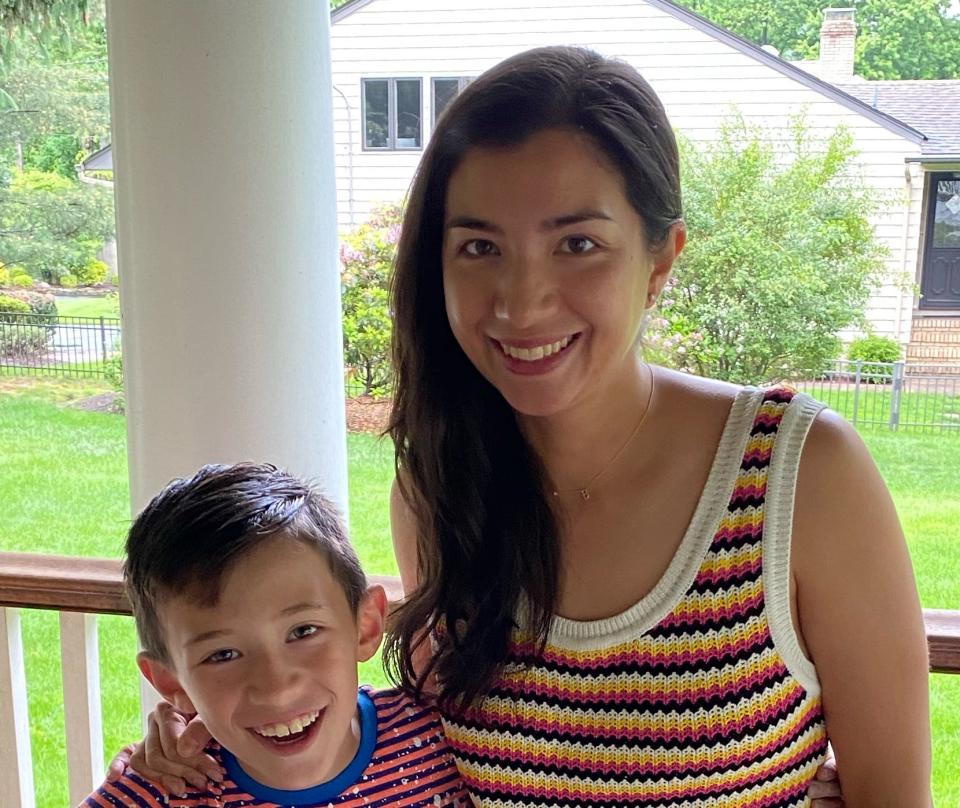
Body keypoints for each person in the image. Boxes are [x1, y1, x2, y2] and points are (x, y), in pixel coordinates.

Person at [110, 46, 931, 805]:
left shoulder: (799, 475)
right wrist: (200, 734)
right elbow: (375, 732)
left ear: (662, 259)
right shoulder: (438, 489)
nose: (521, 302)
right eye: (479, 248)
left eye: (577, 243)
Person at [89, 462, 470, 807]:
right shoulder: (165, 789)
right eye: (222, 654)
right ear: (171, 680)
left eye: (303, 631)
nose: (276, 687)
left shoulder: (447, 738)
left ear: (366, 625)